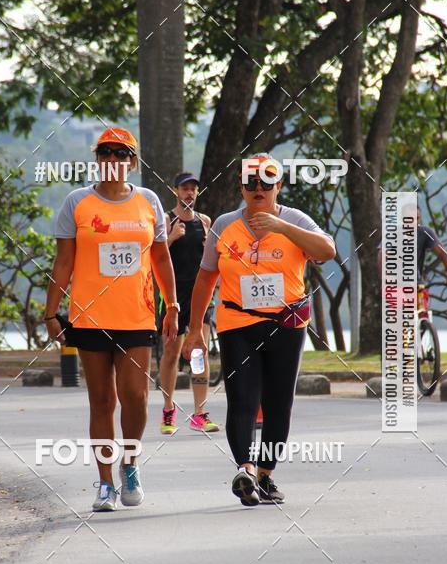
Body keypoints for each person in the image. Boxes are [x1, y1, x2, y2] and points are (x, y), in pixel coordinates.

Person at [182, 156, 335, 507]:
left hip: (285, 324)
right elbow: (205, 278)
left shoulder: (295, 219)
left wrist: (282, 227)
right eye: (251, 183)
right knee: (242, 399)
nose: (258, 189)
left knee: (279, 404)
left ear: (278, 186)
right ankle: (245, 470)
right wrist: (195, 330)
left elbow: (326, 250)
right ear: (241, 187)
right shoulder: (224, 224)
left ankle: (265, 475)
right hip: (237, 323)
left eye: (267, 182)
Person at [44, 127, 179, 512]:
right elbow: (64, 262)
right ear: (97, 159)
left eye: (121, 153)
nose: (113, 159)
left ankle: (130, 464)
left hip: (137, 315)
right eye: (105, 152)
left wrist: (172, 305)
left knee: (136, 396)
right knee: (102, 400)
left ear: (132, 162)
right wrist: (51, 312)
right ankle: (105, 483)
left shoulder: (148, 201)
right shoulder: (77, 203)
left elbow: (160, 257)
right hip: (90, 318)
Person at [158, 172, 220, 435]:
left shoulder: (205, 221)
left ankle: (199, 414)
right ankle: (168, 410)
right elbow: (155, 255)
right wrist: (171, 237)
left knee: (198, 353)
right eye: (184, 188)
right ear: (175, 191)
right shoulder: (165, 219)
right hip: (173, 296)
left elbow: (213, 259)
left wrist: (210, 247)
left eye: (193, 188)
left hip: (200, 295)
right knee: (171, 353)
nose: (189, 193)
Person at [377, 207, 447, 286]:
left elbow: (442, 252)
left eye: (417, 218)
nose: (414, 222)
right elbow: (382, 255)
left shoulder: (425, 233)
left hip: (417, 284)